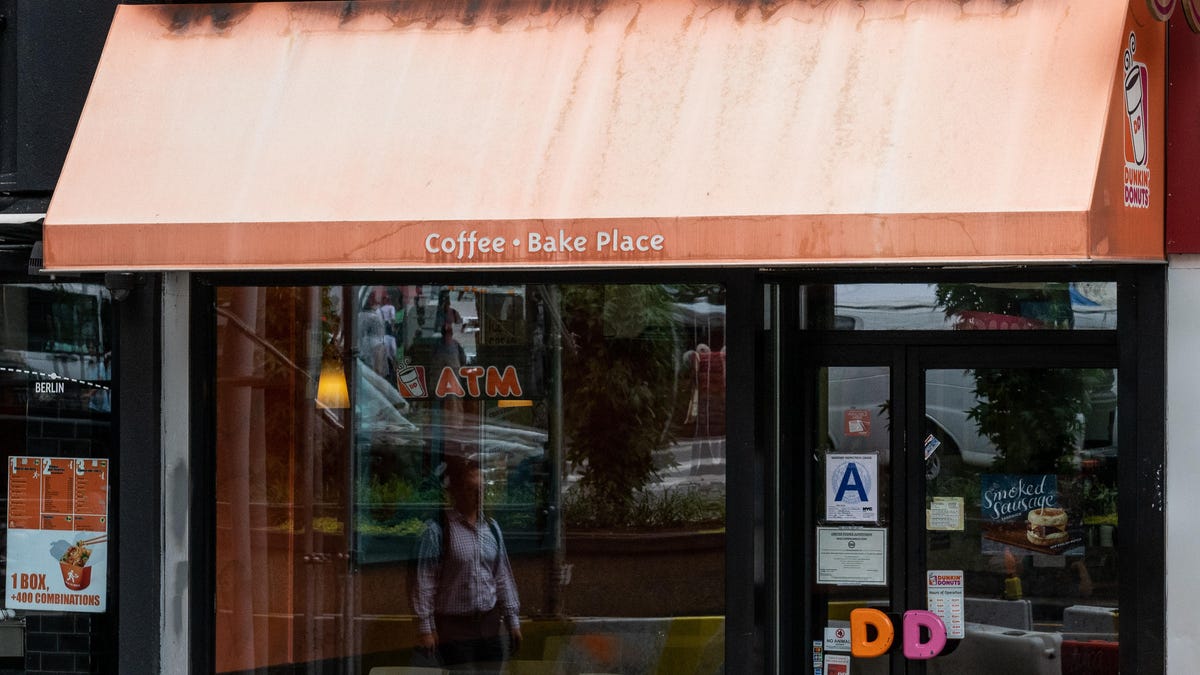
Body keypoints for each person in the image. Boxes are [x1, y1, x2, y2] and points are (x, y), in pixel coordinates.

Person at [411, 454, 522, 668]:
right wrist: (426, 628)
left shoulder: (491, 528)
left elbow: (502, 576)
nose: (479, 495)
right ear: (457, 491)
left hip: (488, 624)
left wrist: (512, 620)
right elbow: (424, 582)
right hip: (454, 627)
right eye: (473, 489)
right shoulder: (438, 530)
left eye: (482, 488)